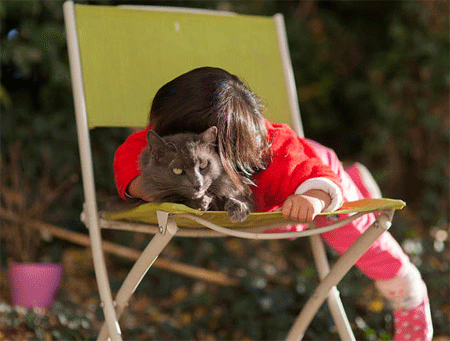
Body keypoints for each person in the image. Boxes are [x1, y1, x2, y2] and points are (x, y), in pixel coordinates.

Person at [114, 67, 432, 341]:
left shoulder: (277, 154)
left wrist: (311, 198)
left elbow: (314, 175)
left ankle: (409, 295)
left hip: (313, 175)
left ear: (218, 150)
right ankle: (356, 180)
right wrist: (143, 184)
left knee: (349, 235)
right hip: (272, 205)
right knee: (289, 219)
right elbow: (130, 154)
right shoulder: (168, 140)